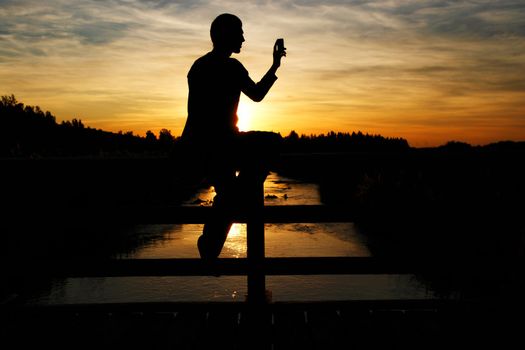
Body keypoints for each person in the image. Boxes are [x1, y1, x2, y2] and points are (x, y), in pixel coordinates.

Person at [179, 13, 286, 260]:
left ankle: (210, 246)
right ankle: (211, 243)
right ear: (226, 35)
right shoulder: (231, 68)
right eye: (239, 32)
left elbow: (195, 116)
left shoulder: (198, 66)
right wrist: (275, 66)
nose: (243, 38)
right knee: (271, 143)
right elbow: (257, 95)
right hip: (223, 144)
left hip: (201, 145)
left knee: (228, 196)